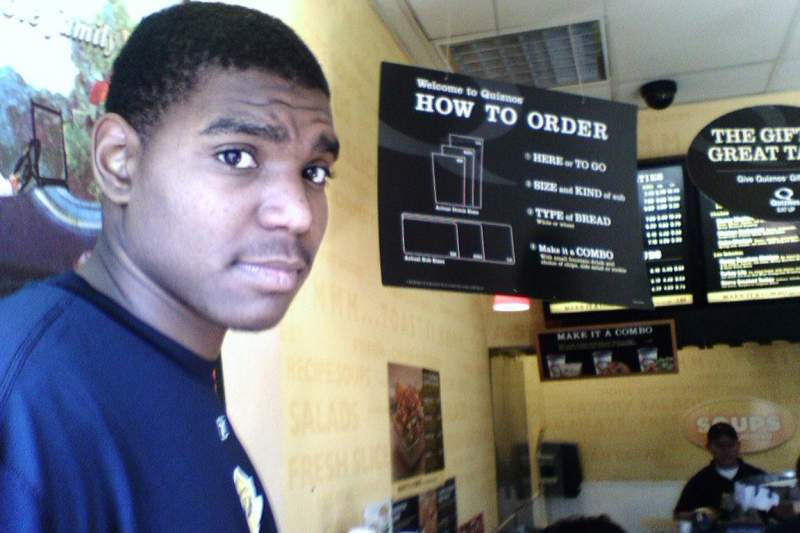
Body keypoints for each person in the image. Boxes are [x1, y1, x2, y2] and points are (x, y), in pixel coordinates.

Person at [0, 3, 338, 532]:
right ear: (119, 161)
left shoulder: (179, 372)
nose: (298, 214)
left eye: (314, 171)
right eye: (236, 156)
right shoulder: (26, 403)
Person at [674, 422, 765, 518]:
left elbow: (774, 511)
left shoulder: (758, 477)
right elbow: (679, 514)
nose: (726, 450)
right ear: (709, 447)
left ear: (738, 446)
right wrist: (700, 516)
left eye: (730, 445)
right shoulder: (699, 481)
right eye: (720, 445)